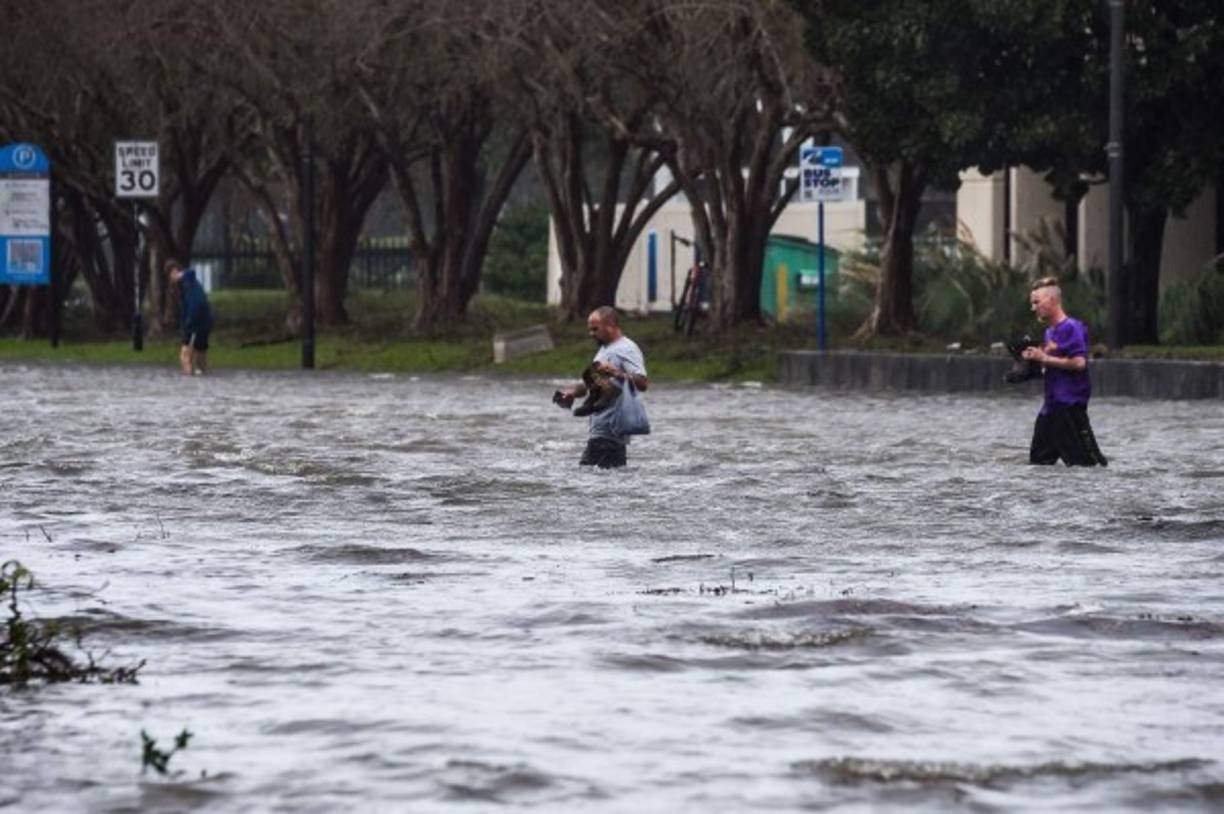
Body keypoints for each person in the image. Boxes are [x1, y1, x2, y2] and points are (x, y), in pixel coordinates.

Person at [1021, 277, 1107, 466]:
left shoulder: (1072, 327)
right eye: (1032, 303)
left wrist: (1044, 358)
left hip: (1070, 409)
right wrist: (1030, 366)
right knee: (1038, 465)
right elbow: (1051, 366)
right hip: (1049, 411)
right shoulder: (1049, 333)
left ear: (1052, 300)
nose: (1033, 308)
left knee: (1088, 466)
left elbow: (1079, 363)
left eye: (1036, 302)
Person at [555, 306, 649, 468]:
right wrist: (570, 393)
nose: (591, 334)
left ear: (610, 325)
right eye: (590, 330)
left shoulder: (627, 349)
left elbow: (642, 383)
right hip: (599, 434)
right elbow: (588, 385)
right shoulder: (603, 350)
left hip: (610, 436)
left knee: (587, 485)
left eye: (595, 329)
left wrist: (616, 372)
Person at [166, 258, 212, 376]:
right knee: (200, 358)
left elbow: (195, 304)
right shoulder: (188, 284)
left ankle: (188, 384)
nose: (170, 280)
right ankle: (205, 380)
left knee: (185, 355)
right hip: (203, 322)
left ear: (174, 272)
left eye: (170, 276)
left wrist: (189, 322)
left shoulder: (187, 281)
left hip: (195, 324)